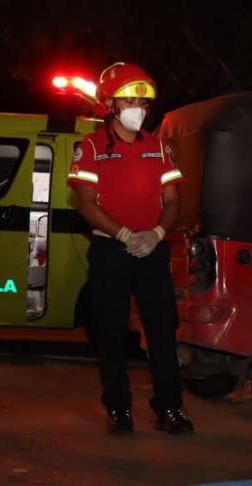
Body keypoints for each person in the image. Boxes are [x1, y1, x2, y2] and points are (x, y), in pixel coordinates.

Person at [67, 61, 193, 435]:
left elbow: (173, 201)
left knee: (162, 331)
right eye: (129, 101)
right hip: (110, 252)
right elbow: (85, 204)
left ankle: (170, 409)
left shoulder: (159, 147)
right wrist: (124, 235)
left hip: (152, 250)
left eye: (144, 104)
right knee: (110, 332)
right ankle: (118, 410)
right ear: (111, 105)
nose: (140, 110)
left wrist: (154, 234)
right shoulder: (90, 147)